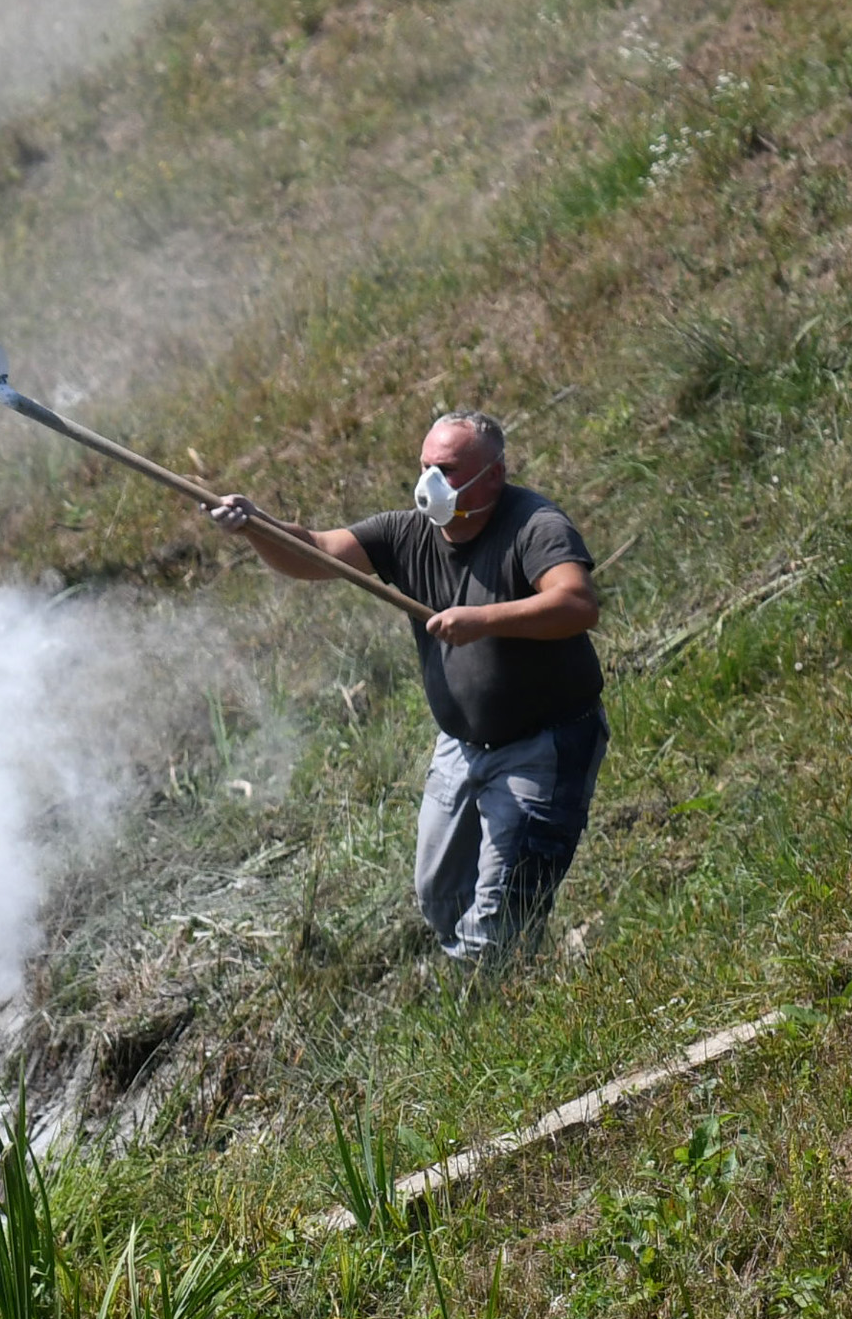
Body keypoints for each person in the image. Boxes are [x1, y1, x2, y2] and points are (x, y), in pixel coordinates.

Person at [207, 412, 604, 965]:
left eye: (445, 469)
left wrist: (484, 620)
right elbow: (316, 551)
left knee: (502, 917)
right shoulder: (405, 533)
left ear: (493, 475)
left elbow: (578, 605)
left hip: (543, 748)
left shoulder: (535, 526)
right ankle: (514, 973)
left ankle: (500, 1004)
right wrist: (255, 526)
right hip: (460, 749)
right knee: (439, 897)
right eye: (424, 467)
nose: (429, 484)